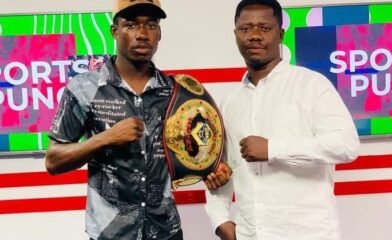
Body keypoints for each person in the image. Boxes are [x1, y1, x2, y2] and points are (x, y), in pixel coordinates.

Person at [45, 0, 230, 239]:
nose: (142, 34)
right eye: (131, 25)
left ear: (159, 33)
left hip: (166, 231)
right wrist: (105, 138)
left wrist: (214, 172)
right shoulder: (84, 88)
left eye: (151, 25)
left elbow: (194, 156)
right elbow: (53, 161)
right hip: (110, 233)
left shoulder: (177, 92)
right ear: (114, 31)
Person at [205, 0, 360, 239]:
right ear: (236, 34)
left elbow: (346, 145)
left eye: (264, 28)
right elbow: (221, 168)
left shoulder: (311, 85)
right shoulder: (229, 102)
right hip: (250, 234)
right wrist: (220, 219)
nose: (254, 36)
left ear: (281, 34)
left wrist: (273, 148)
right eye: (246, 29)